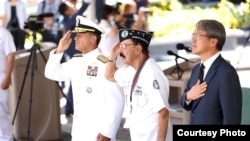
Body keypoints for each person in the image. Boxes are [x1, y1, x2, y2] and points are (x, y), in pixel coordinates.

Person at [44, 15, 124, 141]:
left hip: (98, 134)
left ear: (93, 38)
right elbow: (51, 73)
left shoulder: (105, 64)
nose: (76, 38)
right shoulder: (77, 61)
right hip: (79, 132)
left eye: (80, 35)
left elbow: (116, 101)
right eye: (76, 34)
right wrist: (60, 50)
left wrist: (107, 133)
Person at [105, 29, 173, 141]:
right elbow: (109, 75)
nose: (121, 51)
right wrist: (113, 54)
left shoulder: (151, 73)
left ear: (138, 49)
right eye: (120, 46)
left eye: (124, 46)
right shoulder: (130, 70)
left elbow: (163, 113)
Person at [179, 19, 242, 124]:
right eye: (193, 35)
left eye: (198, 36)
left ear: (213, 41)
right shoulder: (196, 69)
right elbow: (184, 102)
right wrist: (188, 96)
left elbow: (232, 120)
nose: (193, 40)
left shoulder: (226, 73)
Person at [58, 0, 90, 116]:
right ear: (66, 11)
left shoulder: (68, 20)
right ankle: (69, 107)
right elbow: (79, 13)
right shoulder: (69, 20)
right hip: (74, 54)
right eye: (70, 7)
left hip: (74, 53)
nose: (73, 7)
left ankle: (70, 107)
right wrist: (86, 3)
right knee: (74, 80)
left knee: (75, 80)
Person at [0, 26, 16, 141]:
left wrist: (7, 77)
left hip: (1, 75)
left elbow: (11, 56)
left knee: (2, 110)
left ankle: (7, 138)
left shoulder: (4, 33)